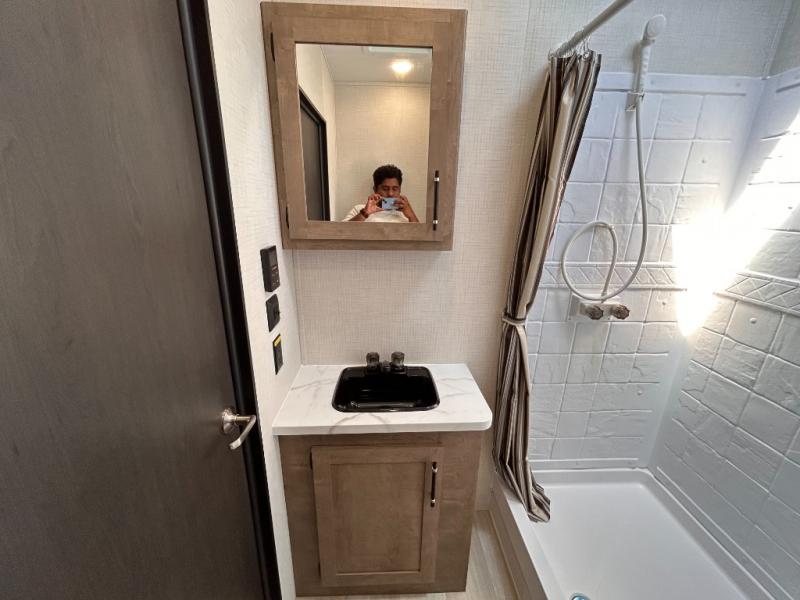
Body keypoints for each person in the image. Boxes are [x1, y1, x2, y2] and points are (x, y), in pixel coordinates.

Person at [344, 164, 419, 222]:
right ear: (375, 189)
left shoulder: (406, 213)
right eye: (385, 189)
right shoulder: (360, 209)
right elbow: (342, 232)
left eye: (395, 189)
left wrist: (411, 215)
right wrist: (365, 213)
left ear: (400, 190)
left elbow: (420, 236)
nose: (390, 194)